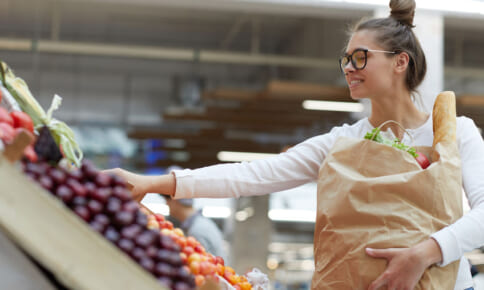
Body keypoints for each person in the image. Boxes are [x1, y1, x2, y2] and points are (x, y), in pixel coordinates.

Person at [105, 0, 484, 289]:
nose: (348, 67)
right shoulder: (341, 143)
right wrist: (153, 183)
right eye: (345, 60)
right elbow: (253, 175)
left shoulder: (453, 133)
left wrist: (424, 254)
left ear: (400, 62)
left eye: (360, 57)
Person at [162, 195, 228, 262]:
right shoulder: (202, 223)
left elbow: (203, 264)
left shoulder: (197, 230)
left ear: (175, 200)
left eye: (166, 200)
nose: (166, 204)